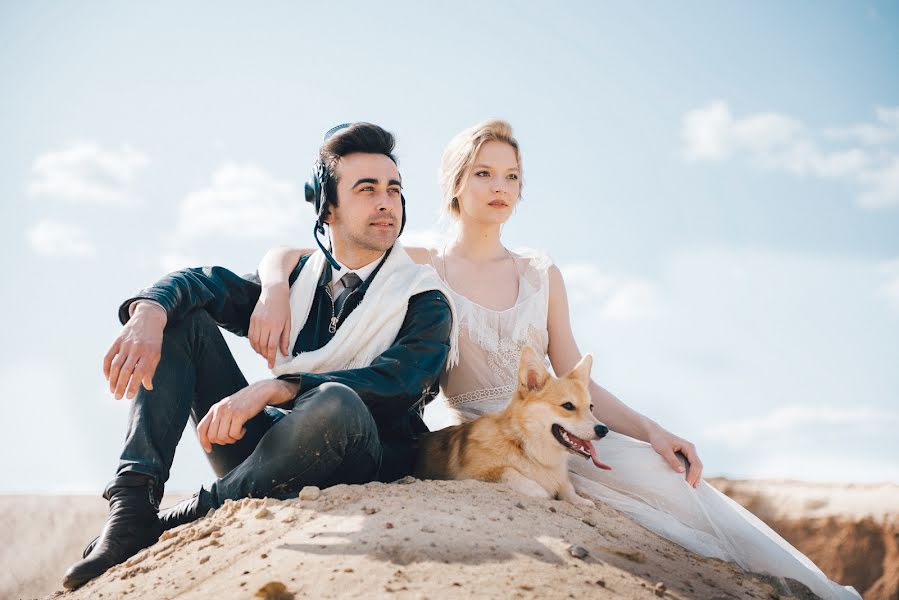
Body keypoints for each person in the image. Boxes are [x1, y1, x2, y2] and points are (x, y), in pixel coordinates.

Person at [253, 119, 860, 600]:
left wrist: (654, 430)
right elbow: (291, 251)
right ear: (455, 185)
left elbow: (574, 374)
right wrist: (276, 288)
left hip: (562, 426)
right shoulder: (421, 263)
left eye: (511, 177)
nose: (499, 188)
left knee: (676, 488)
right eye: (484, 173)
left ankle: (816, 593)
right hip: (488, 437)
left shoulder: (541, 272)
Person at [63, 122, 456, 590]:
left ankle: (182, 518)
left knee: (335, 401)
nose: (386, 202)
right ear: (327, 208)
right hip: (270, 454)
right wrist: (148, 311)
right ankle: (131, 509)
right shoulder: (293, 283)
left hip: (362, 454)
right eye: (366, 189)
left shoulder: (425, 298)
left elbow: (400, 384)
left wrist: (279, 386)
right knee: (184, 319)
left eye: (394, 190)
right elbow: (201, 283)